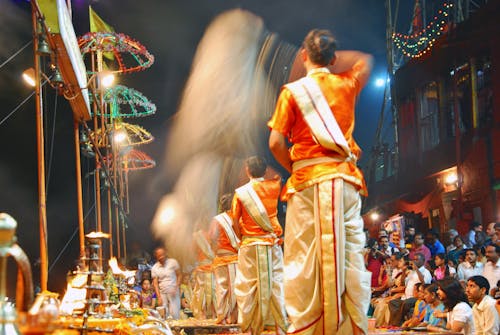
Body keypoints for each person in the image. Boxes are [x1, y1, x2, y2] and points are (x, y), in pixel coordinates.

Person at [268, 28, 373, 335]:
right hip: (343, 180)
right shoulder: (347, 82)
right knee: (349, 253)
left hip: (306, 183)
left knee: (303, 259)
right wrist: (329, 57)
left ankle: (308, 328)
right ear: (334, 57)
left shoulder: (292, 92)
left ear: (303, 55)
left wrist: (297, 168)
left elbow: (275, 143)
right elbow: (365, 59)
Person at [232, 156, 286, 335]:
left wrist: (242, 238)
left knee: (246, 287)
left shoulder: (240, 193)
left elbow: (235, 221)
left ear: (247, 170)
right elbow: (278, 176)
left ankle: (248, 329)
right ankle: (280, 328)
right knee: (276, 284)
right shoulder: (275, 186)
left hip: (250, 245)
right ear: (264, 171)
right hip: (272, 244)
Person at [209, 193, 239, 324]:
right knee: (235, 289)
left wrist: (216, 250)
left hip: (220, 258)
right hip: (234, 258)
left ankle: (222, 318)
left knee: (221, 289)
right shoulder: (237, 217)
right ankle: (234, 318)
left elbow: (211, 238)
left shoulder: (216, 219)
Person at [388, 253, 432, 326]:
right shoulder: (412, 272)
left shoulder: (426, 272)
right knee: (393, 302)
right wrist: (403, 272)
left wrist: (417, 269)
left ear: (423, 261)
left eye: (417, 259)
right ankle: (393, 324)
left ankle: (396, 324)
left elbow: (424, 283)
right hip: (406, 297)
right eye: (414, 259)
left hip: (417, 297)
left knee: (406, 303)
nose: (414, 261)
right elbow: (402, 284)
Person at [151, 247, 182, 319]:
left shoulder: (173, 262)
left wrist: (176, 287)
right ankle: (166, 329)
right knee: (163, 314)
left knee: (175, 313)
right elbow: (155, 283)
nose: (161, 257)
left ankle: (176, 329)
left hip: (173, 291)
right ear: (156, 257)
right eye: (159, 256)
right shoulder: (155, 267)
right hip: (162, 293)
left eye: (162, 255)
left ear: (165, 254)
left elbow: (179, 275)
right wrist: (158, 297)